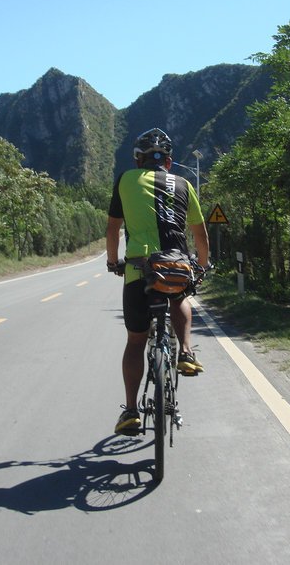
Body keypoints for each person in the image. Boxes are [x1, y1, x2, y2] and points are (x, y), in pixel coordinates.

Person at [106, 128, 211, 435]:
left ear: (138, 160)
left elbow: (113, 230)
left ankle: (131, 412)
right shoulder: (183, 184)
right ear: (168, 161)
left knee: (136, 341)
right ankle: (186, 352)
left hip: (139, 271)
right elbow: (200, 233)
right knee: (180, 298)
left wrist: (113, 262)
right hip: (176, 267)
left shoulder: (126, 180)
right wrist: (203, 265)